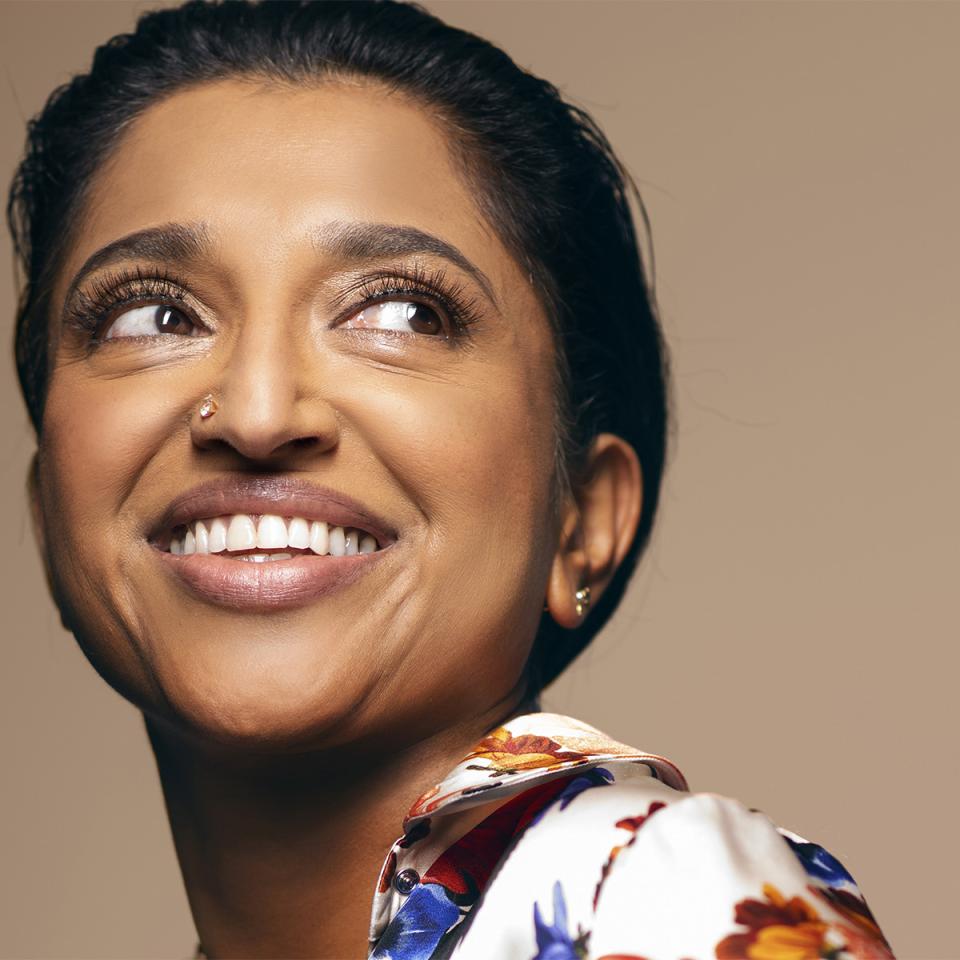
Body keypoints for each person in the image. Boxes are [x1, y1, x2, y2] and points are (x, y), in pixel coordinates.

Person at [7, 1, 895, 957]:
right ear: (49, 516)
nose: (260, 413)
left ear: (581, 520)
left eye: (403, 312)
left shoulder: (660, 902)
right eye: (153, 317)